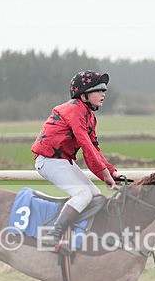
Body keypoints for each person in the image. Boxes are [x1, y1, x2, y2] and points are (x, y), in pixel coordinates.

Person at [31, 70, 121, 247]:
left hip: (63, 162)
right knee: (83, 194)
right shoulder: (74, 110)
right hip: (48, 161)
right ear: (84, 94)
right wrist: (104, 174)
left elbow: (94, 148)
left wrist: (112, 172)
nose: (103, 93)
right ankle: (53, 234)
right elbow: (86, 145)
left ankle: (72, 232)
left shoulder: (89, 116)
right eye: (98, 90)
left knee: (97, 198)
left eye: (104, 90)